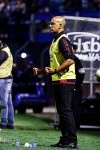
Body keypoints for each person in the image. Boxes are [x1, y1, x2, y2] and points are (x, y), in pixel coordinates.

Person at [33, 16, 77, 148]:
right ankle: (64, 139)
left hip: (66, 79)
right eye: (50, 24)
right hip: (59, 79)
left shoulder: (63, 39)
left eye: (53, 24)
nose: (50, 26)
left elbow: (70, 60)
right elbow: (55, 64)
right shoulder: (55, 39)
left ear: (61, 25)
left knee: (65, 110)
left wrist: (56, 70)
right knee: (62, 111)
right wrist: (41, 71)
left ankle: (72, 140)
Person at [71, 43, 85, 129]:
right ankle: (71, 125)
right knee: (70, 107)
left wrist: (78, 84)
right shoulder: (68, 59)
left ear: (75, 50)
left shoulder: (75, 59)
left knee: (75, 106)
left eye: (71, 49)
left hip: (75, 87)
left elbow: (82, 72)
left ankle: (76, 126)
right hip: (70, 87)